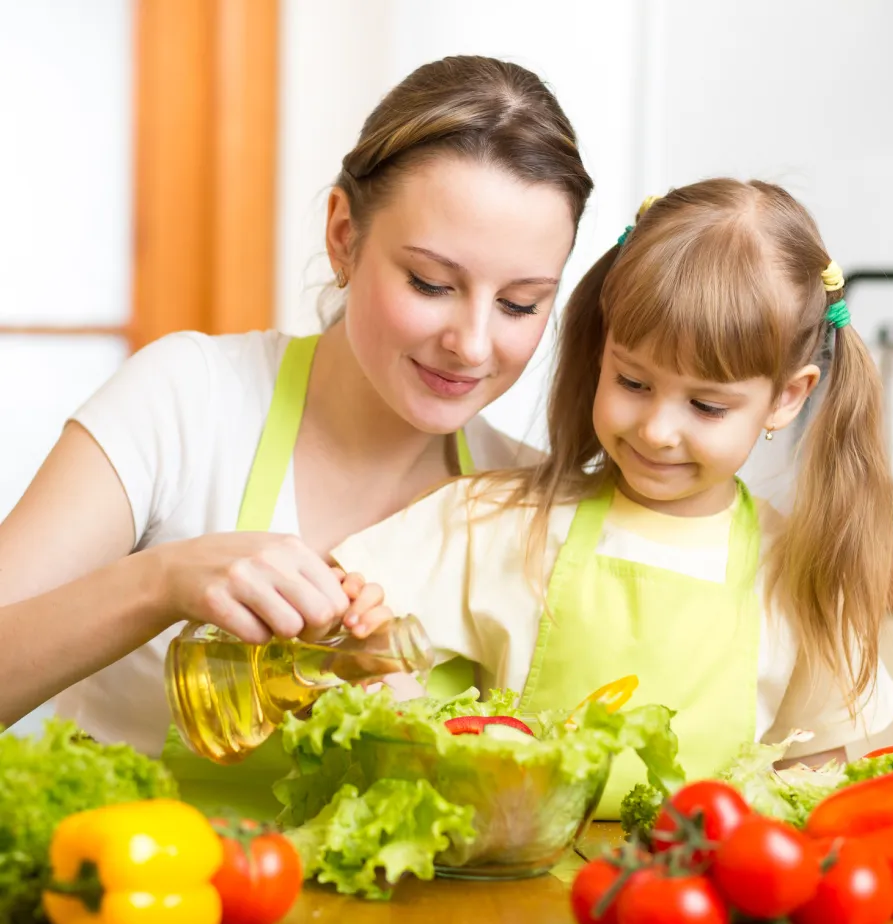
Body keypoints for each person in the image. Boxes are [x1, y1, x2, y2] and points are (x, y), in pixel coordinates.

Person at [0, 54, 593, 777]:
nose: (470, 344)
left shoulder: (528, 500)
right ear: (344, 235)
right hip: (130, 883)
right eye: (432, 283)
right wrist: (163, 583)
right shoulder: (188, 397)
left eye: (520, 304)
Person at [330, 178, 893, 819]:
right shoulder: (498, 521)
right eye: (632, 381)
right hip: (511, 901)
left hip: (699, 906)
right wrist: (377, 663)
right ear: (602, 348)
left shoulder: (803, 576)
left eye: (706, 405)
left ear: (787, 397)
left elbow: (814, 787)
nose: (657, 430)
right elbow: (344, 613)